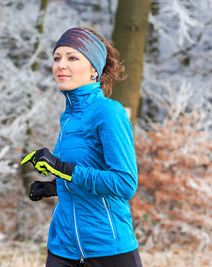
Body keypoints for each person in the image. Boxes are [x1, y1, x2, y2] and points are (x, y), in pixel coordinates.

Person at [21, 27, 143, 267]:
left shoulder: (109, 112)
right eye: (57, 58)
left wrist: (62, 168)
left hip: (108, 249)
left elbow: (125, 183)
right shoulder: (68, 118)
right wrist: (54, 186)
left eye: (72, 58)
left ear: (93, 71)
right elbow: (84, 173)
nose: (60, 65)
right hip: (63, 249)